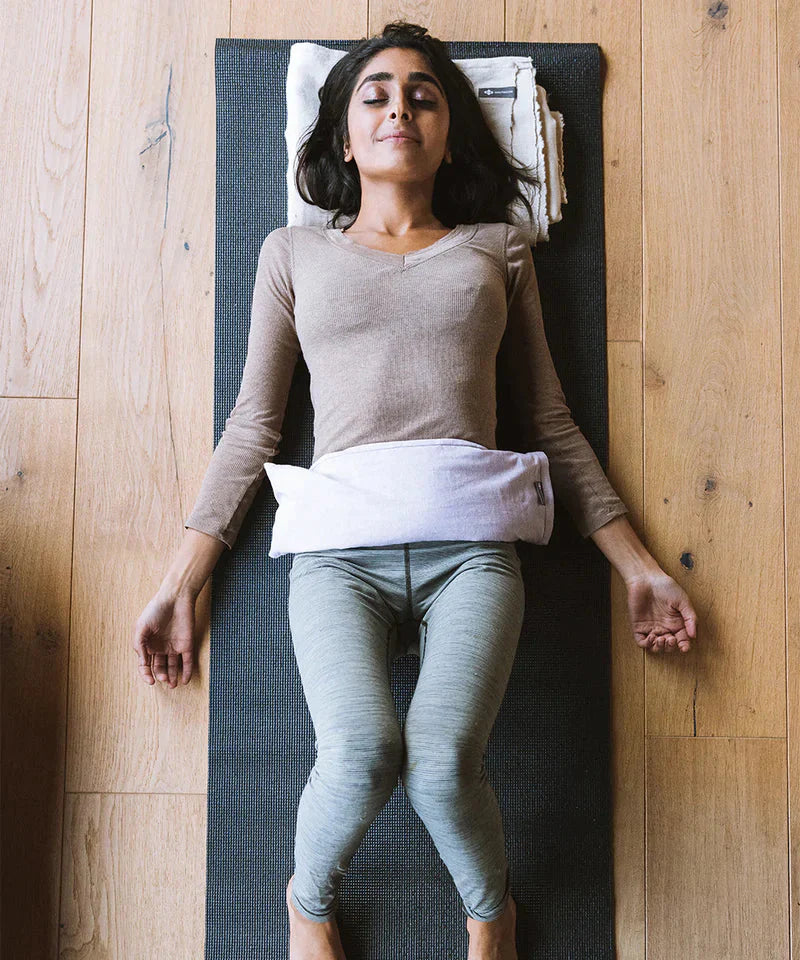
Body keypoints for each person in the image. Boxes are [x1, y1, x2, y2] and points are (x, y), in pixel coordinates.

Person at [132, 21, 699, 960]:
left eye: (425, 96)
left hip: (472, 552)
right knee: (359, 756)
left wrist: (638, 570)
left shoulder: (497, 252)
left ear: (448, 136)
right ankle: (305, 906)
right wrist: (180, 583)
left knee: (440, 770)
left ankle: (492, 915)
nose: (401, 106)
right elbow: (253, 429)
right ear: (344, 138)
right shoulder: (293, 253)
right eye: (377, 95)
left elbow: (551, 426)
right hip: (335, 556)